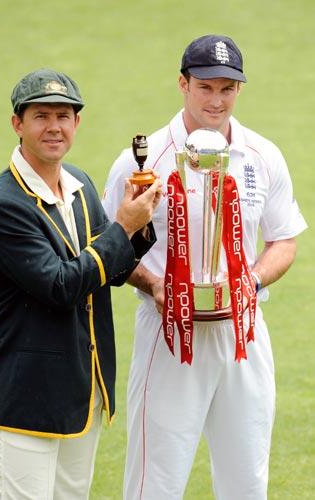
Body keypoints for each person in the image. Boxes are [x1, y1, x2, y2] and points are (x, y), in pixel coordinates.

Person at [102, 34, 308, 499]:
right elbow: (110, 243)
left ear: (239, 90)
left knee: (247, 479)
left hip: (244, 334)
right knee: (154, 479)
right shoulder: (143, 159)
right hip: (169, 331)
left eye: (227, 88)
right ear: (183, 83)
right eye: (206, 87)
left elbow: (283, 240)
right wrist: (155, 284)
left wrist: (248, 281)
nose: (217, 100)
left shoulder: (262, 155)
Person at [0, 68, 162, 500]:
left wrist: (137, 225)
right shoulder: (3, 206)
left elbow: (110, 270)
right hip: (26, 400)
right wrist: (122, 225)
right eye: (41, 116)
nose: (54, 127)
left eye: (64, 115)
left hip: (83, 393)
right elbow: (60, 285)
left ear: (77, 123)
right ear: (17, 124)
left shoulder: (79, 185)